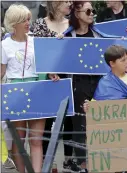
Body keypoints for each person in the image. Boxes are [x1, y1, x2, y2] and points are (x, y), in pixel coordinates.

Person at [1, 4, 59, 173]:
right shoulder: (4, 45)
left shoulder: (36, 42)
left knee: (36, 140)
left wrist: (51, 74)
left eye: (28, 19)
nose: (28, 22)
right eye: (23, 20)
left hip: (37, 90)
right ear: (13, 23)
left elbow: (45, 66)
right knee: (19, 141)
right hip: (15, 92)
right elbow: (1, 72)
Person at [83, 45, 127, 173]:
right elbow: (97, 105)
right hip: (113, 132)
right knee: (114, 164)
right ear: (112, 63)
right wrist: (88, 107)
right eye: (123, 60)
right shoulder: (105, 83)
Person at [63, 1, 105, 172]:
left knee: (99, 123)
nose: (92, 13)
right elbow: (59, 61)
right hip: (77, 84)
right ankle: (83, 164)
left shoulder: (99, 35)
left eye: (93, 10)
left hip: (98, 84)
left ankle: (101, 161)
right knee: (80, 124)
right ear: (77, 13)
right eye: (88, 10)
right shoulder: (67, 37)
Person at [31, 0, 73, 169]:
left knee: (69, 118)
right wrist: (48, 70)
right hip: (47, 78)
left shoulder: (72, 23)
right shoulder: (40, 24)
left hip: (69, 77)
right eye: (66, 1)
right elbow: (36, 51)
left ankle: (69, 160)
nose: (70, 4)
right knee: (47, 121)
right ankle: (47, 162)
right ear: (55, 3)